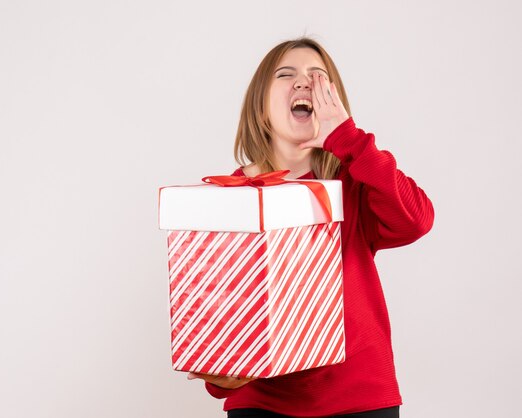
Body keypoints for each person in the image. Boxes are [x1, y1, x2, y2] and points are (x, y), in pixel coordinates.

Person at [186, 37, 435, 417]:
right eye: (286, 75)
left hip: (360, 395)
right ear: (261, 104)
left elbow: (416, 220)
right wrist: (222, 373)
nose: (304, 82)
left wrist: (349, 140)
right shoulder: (232, 196)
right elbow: (222, 304)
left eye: (317, 77)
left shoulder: (356, 181)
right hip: (264, 400)